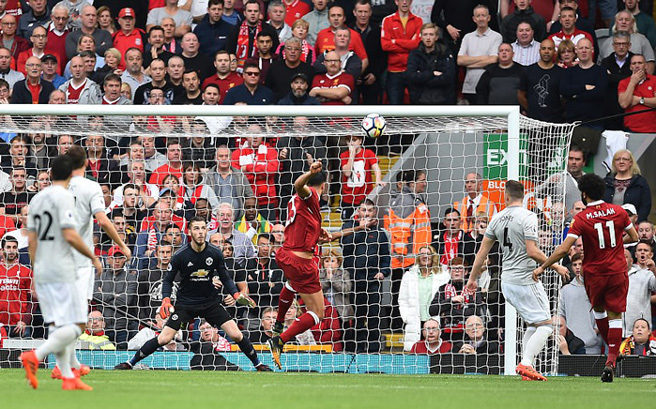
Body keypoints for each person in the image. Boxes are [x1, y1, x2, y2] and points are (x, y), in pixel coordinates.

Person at [115, 217, 271, 371]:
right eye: (196, 228)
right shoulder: (180, 255)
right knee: (164, 338)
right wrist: (166, 300)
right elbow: (168, 280)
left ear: (207, 231)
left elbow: (225, 278)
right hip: (186, 305)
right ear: (189, 232)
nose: (200, 232)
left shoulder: (215, 253)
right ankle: (130, 363)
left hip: (210, 303)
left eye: (203, 228)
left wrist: (236, 295)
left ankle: (258, 365)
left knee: (236, 334)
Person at [535, 173, 639, 382]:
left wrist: (543, 267)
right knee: (615, 315)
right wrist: (614, 243)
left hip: (594, 274)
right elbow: (634, 237)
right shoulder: (618, 211)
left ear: (584, 194)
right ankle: (612, 358)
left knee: (599, 312)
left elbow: (564, 249)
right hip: (617, 271)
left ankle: (612, 355)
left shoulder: (582, 218)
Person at [468, 180, 570, 381]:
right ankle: (526, 363)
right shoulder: (528, 216)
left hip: (506, 282)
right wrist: (556, 266)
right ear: (523, 196)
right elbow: (532, 251)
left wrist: (472, 278)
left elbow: (482, 251)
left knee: (533, 324)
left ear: (506, 197)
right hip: (525, 280)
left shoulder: (496, 218)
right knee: (547, 325)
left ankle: (526, 370)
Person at [20, 155, 103, 390]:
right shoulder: (65, 197)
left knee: (57, 324)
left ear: (51, 173)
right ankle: (35, 356)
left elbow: (32, 239)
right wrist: (92, 256)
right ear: (70, 174)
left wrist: (35, 269)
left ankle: (68, 376)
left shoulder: (37, 198)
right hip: (62, 267)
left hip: (42, 267)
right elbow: (69, 234)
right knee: (78, 324)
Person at [267, 162, 331, 369]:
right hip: (301, 262)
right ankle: (280, 340)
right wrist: (310, 173)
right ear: (324, 185)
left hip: (285, 254)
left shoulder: (295, 200)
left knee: (292, 284)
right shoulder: (309, 194)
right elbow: (298, 185)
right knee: (318, 313)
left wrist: (318, 232)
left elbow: (300, 224)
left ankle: (279, 322)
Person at [398, 245, 450, 351]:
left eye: (428, 254)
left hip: (436, 320)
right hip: (416, 320)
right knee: (415, 352)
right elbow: (402, 300)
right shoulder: (409, 275)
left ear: (433, 256)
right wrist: (406, 317)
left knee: (436, 352)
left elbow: (447, 296)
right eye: (422, 254)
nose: (425, 256)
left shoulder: (443, 275)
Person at [457, 5, 503, 105]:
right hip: (470, 86)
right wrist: (484, 58)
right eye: (478, 16)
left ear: (489, 18)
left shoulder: (496, 36)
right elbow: (460, 60)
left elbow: (493, 60)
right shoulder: (467, 37)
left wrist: (469, 63)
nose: (481, 18)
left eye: (483, 15)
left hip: (489, 85)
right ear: (474, 19)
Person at [558, 252, 603, 354]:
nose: (578, 267)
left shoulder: (597, 288)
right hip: (572, 345)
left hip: (592, 345)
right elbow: (561, 315)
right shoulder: (565, 290)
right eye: (575, 264)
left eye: (580, 264)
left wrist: (595, 331)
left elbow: (603, 312)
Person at [380, 0, 422, 105]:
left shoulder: (418, 20)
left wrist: (395, 41)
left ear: (411, 2)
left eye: (407, 0)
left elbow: (416, 45)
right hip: (394, 70)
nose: (404, 2)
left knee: (416, 106)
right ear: (396, 2)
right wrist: (408, 44)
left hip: (413, 69)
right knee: (395, 107)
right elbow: (385, 45)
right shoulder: (387, 20)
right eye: (401, 0)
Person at [559, 38, 607, 126]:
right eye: (581, 48)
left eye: (586, 48)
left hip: (595, 122)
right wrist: (584, 87)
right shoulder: (569, 72)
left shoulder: (601, 71)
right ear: (576, 50)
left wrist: (575, 96)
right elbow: (564, 90)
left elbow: (599, 93)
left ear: (592, 50)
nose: (584, 51)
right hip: (572, 122)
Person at [405, 22, 456, 105]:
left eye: (431, 34)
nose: (428, 38)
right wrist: (432, 74)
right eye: (425, 35)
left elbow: (448, 77)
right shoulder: (415, 54)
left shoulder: (445, 52)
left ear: (436, 37)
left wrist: (422, 77)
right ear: (421, 37)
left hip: (443, 101)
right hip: (420, 101)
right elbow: (411, 76)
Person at [602, 149, 651, 223]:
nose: (621, 162)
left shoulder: (640, 182)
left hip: (634, 225)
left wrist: (636, 224)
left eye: (625, 159)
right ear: (614, 163)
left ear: (630, 162)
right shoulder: (605, 182)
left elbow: (646, 206)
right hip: (609, 225)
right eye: (618, 159)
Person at [0, 236, 33, 338]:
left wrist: (24, 321)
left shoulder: (26, 271)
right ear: (2, 250)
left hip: (19, 325)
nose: (11, 250)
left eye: (14, 247)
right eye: (8, 247)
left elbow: (33, 300)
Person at [618, 54, 656, 133]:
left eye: (640, 63)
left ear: (646, 66)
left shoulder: (654, 80)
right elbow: (624, 104)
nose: (637, 66)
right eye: (634, 63)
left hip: (653, 129)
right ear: (630, 67)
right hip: (631, 129)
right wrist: (632, 82)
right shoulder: (624, 82)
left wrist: (639, 100)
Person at [624, 246, 656, 336]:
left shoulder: (646, 274)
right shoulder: (610, 276)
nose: (621, 259)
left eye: (625, 257)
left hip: (639, 331)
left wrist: (654, 270)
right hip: (615, 329)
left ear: (631, 260)